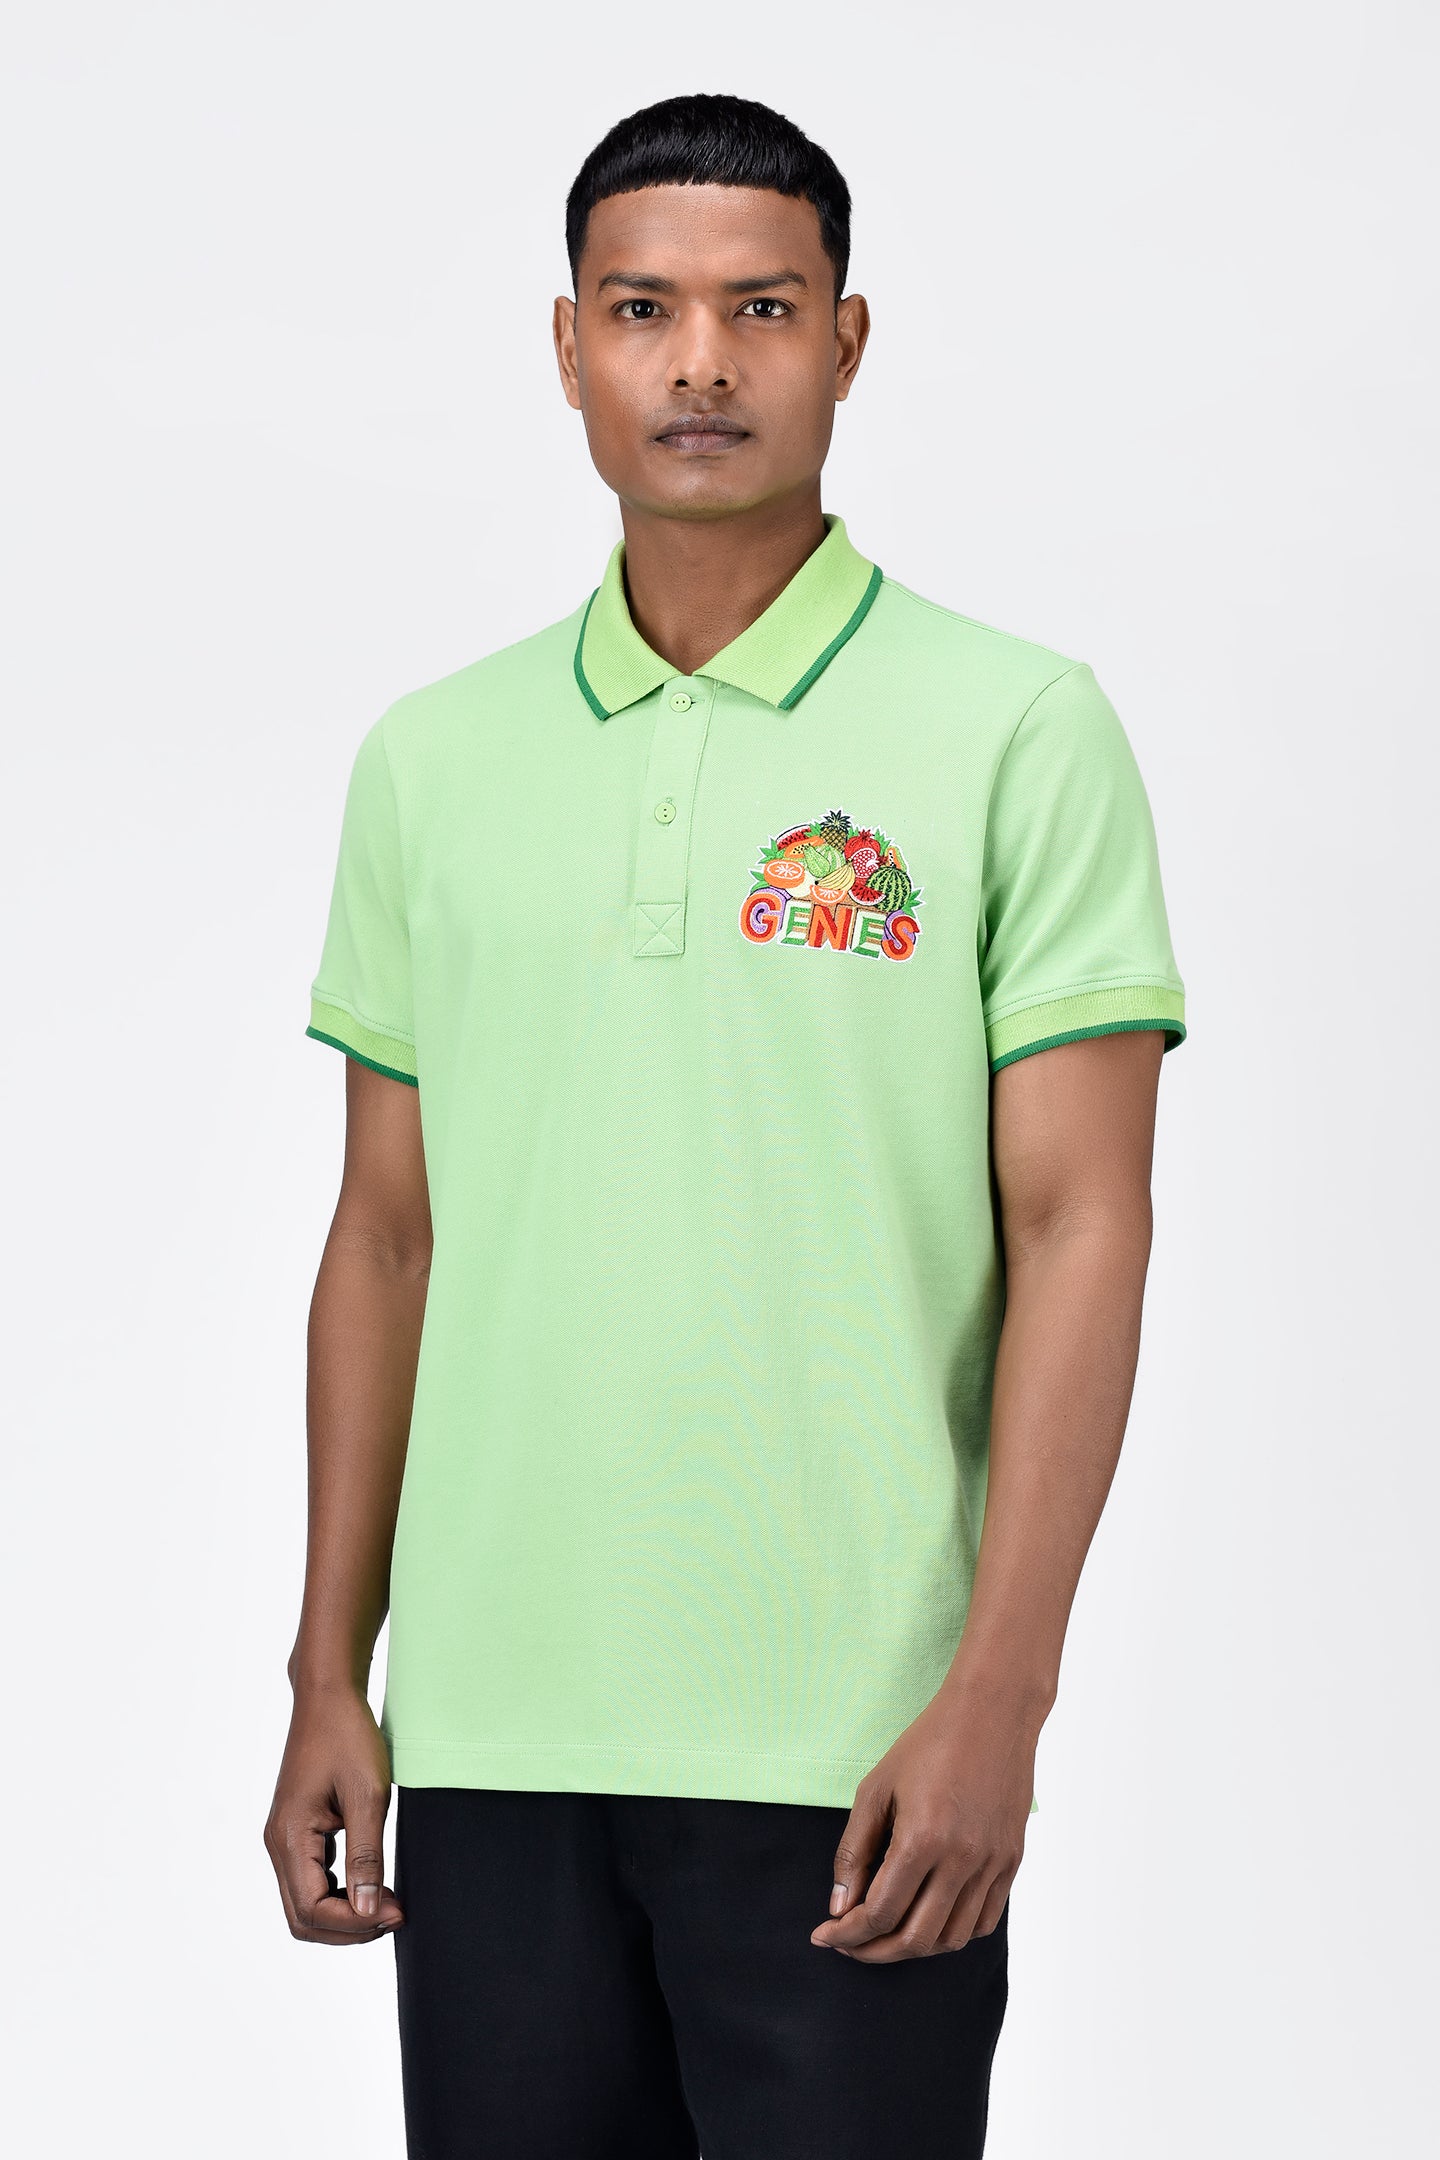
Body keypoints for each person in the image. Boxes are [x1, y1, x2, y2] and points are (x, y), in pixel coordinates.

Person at [264, 90, 1186, 2159]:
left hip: (858, 1755)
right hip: (494, 1744)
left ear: (846, 342)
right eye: (643, 309)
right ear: (567, 344)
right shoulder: (432, 759)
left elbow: (1084, 1225)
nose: (700, 363)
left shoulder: (1017, 728)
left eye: (762, 308)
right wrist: (332, 1668)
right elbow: (388, 1235)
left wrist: (1001, 1698)